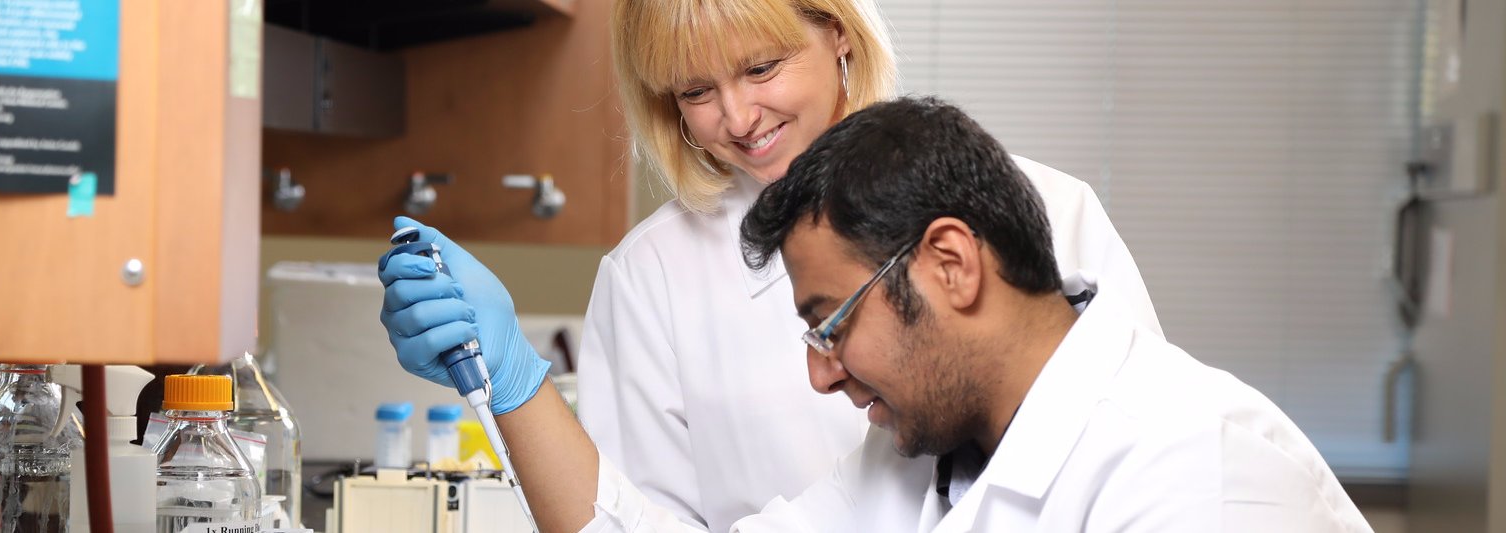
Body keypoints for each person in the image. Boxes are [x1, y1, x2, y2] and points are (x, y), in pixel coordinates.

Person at [379, 97, 1371, 532]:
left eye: (830, 320)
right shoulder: (914, 468)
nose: (820, 370)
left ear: (949, 263)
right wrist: (513, 380)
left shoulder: (1198, 472)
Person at [573, 0, 1161, 530]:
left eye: (761, 69)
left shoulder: (1050, 206)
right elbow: (632, 519)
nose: (738, 117)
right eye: (695, 91)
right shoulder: (649, 276)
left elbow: (1140, 445)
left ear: (837, 32)